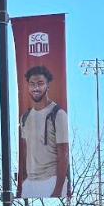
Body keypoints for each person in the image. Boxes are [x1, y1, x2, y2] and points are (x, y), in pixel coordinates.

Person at [17, 65, 70, 198]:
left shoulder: (58, 114)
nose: (36, 88)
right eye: (32, 84)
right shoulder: (25, 117)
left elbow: (64, 154)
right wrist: (23, 181)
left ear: (48, 86)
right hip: (29, 183)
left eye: (40, 83)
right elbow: (25, 152)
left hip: (51, 180)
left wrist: (58, 189)